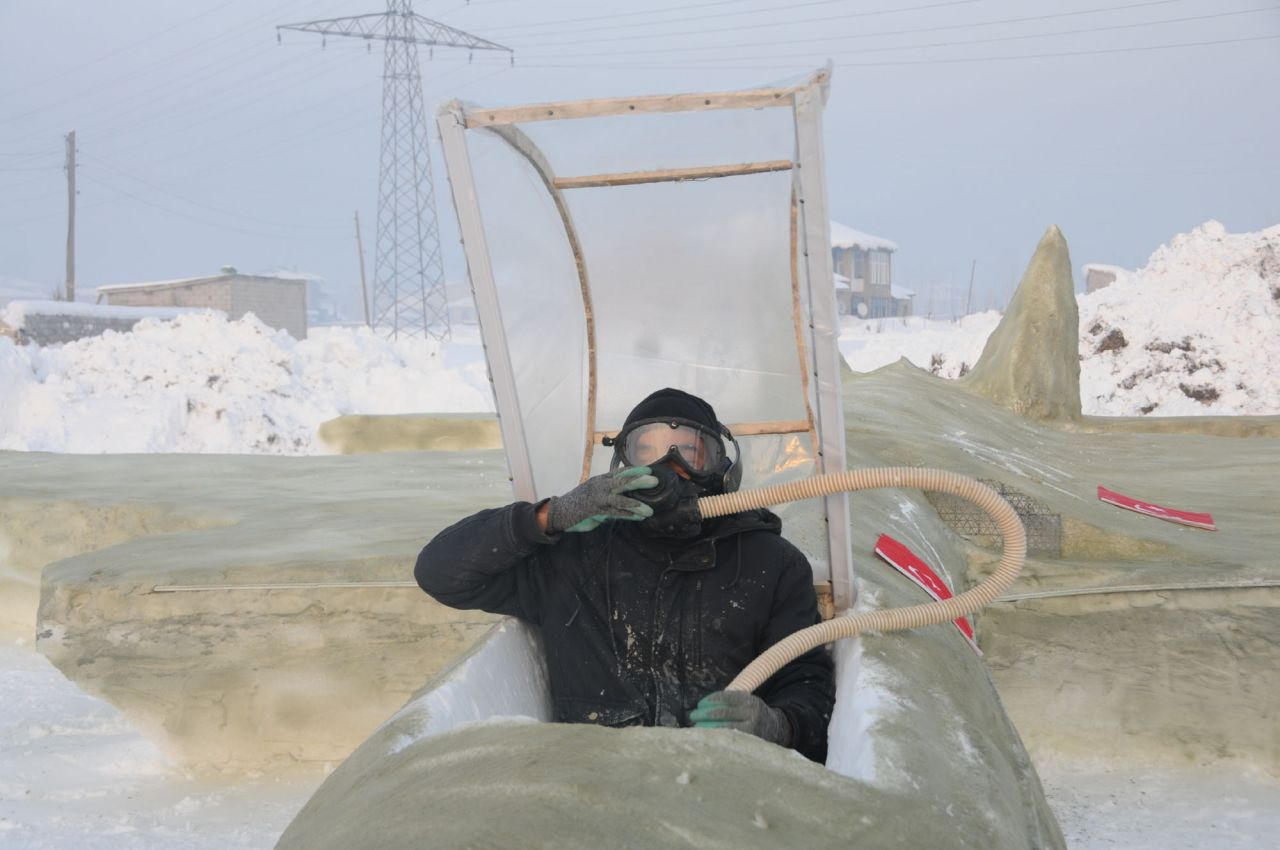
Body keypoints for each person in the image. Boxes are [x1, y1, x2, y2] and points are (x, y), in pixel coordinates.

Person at [415, 388, 835, 762]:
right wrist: (550, 516)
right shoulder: (573, 553)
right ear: (622, 466)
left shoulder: (771, 564)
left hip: (718, 788)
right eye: (646, 451)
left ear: (721, 467)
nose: (668, 466)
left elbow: (808, 687)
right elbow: (441, 573)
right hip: (593, 787)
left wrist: (778, 726)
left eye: (687, 451)